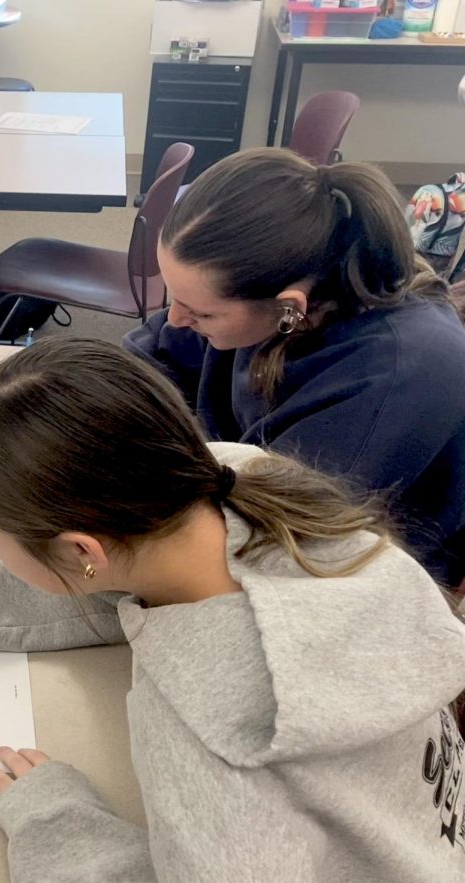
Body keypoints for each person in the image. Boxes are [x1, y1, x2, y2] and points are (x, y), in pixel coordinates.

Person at [0, 337, 465, 883]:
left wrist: (56, 822)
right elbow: (91, 583)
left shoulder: (214, 729)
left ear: (80, 552)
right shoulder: (235, 479)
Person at [123, 148, 465, 586]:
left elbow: (262, 533)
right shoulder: (272, 299)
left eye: (201, 314)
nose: (175, 319)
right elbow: (145, 360)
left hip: (352, 574)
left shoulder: (399, 373)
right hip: (244, 508)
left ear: (289, 308)